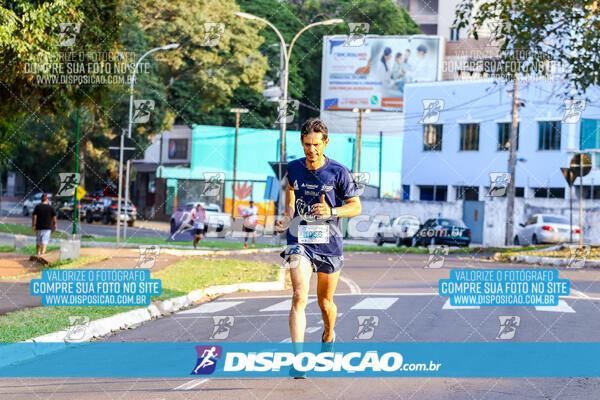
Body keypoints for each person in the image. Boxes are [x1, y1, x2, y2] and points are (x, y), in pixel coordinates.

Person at [275, 118, 362, 378]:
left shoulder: (339, 172)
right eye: (306, 144)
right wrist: (288, 213)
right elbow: (291, 189)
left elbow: (356, 206)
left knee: (325, 303)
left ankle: (328, 334)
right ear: (301, 143)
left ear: (325, 142)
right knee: (300, 296)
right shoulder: (293, 168)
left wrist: (332, 210)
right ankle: (299, 360)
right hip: (299, 240)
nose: (310, 149)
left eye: (315, 144)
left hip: (329, 243)